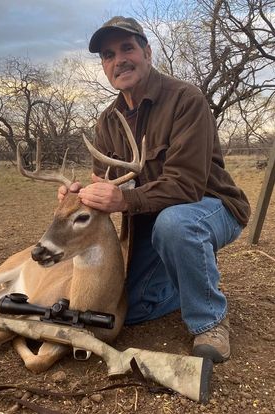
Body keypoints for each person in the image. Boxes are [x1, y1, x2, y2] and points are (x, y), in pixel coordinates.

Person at [59, 16, 251, 362]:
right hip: (152, 217)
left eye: (127, 48)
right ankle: (186, 282)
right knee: (127, 310)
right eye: (108, 55)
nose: (119, 60)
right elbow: (105, 181)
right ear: (104, 67)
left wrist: (124, 199)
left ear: (147, 51)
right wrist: (80, 196)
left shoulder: (185, 99)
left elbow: (187, 184)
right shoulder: (108, 120)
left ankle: (209, 318)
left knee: (176, 225)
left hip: (211, 207)